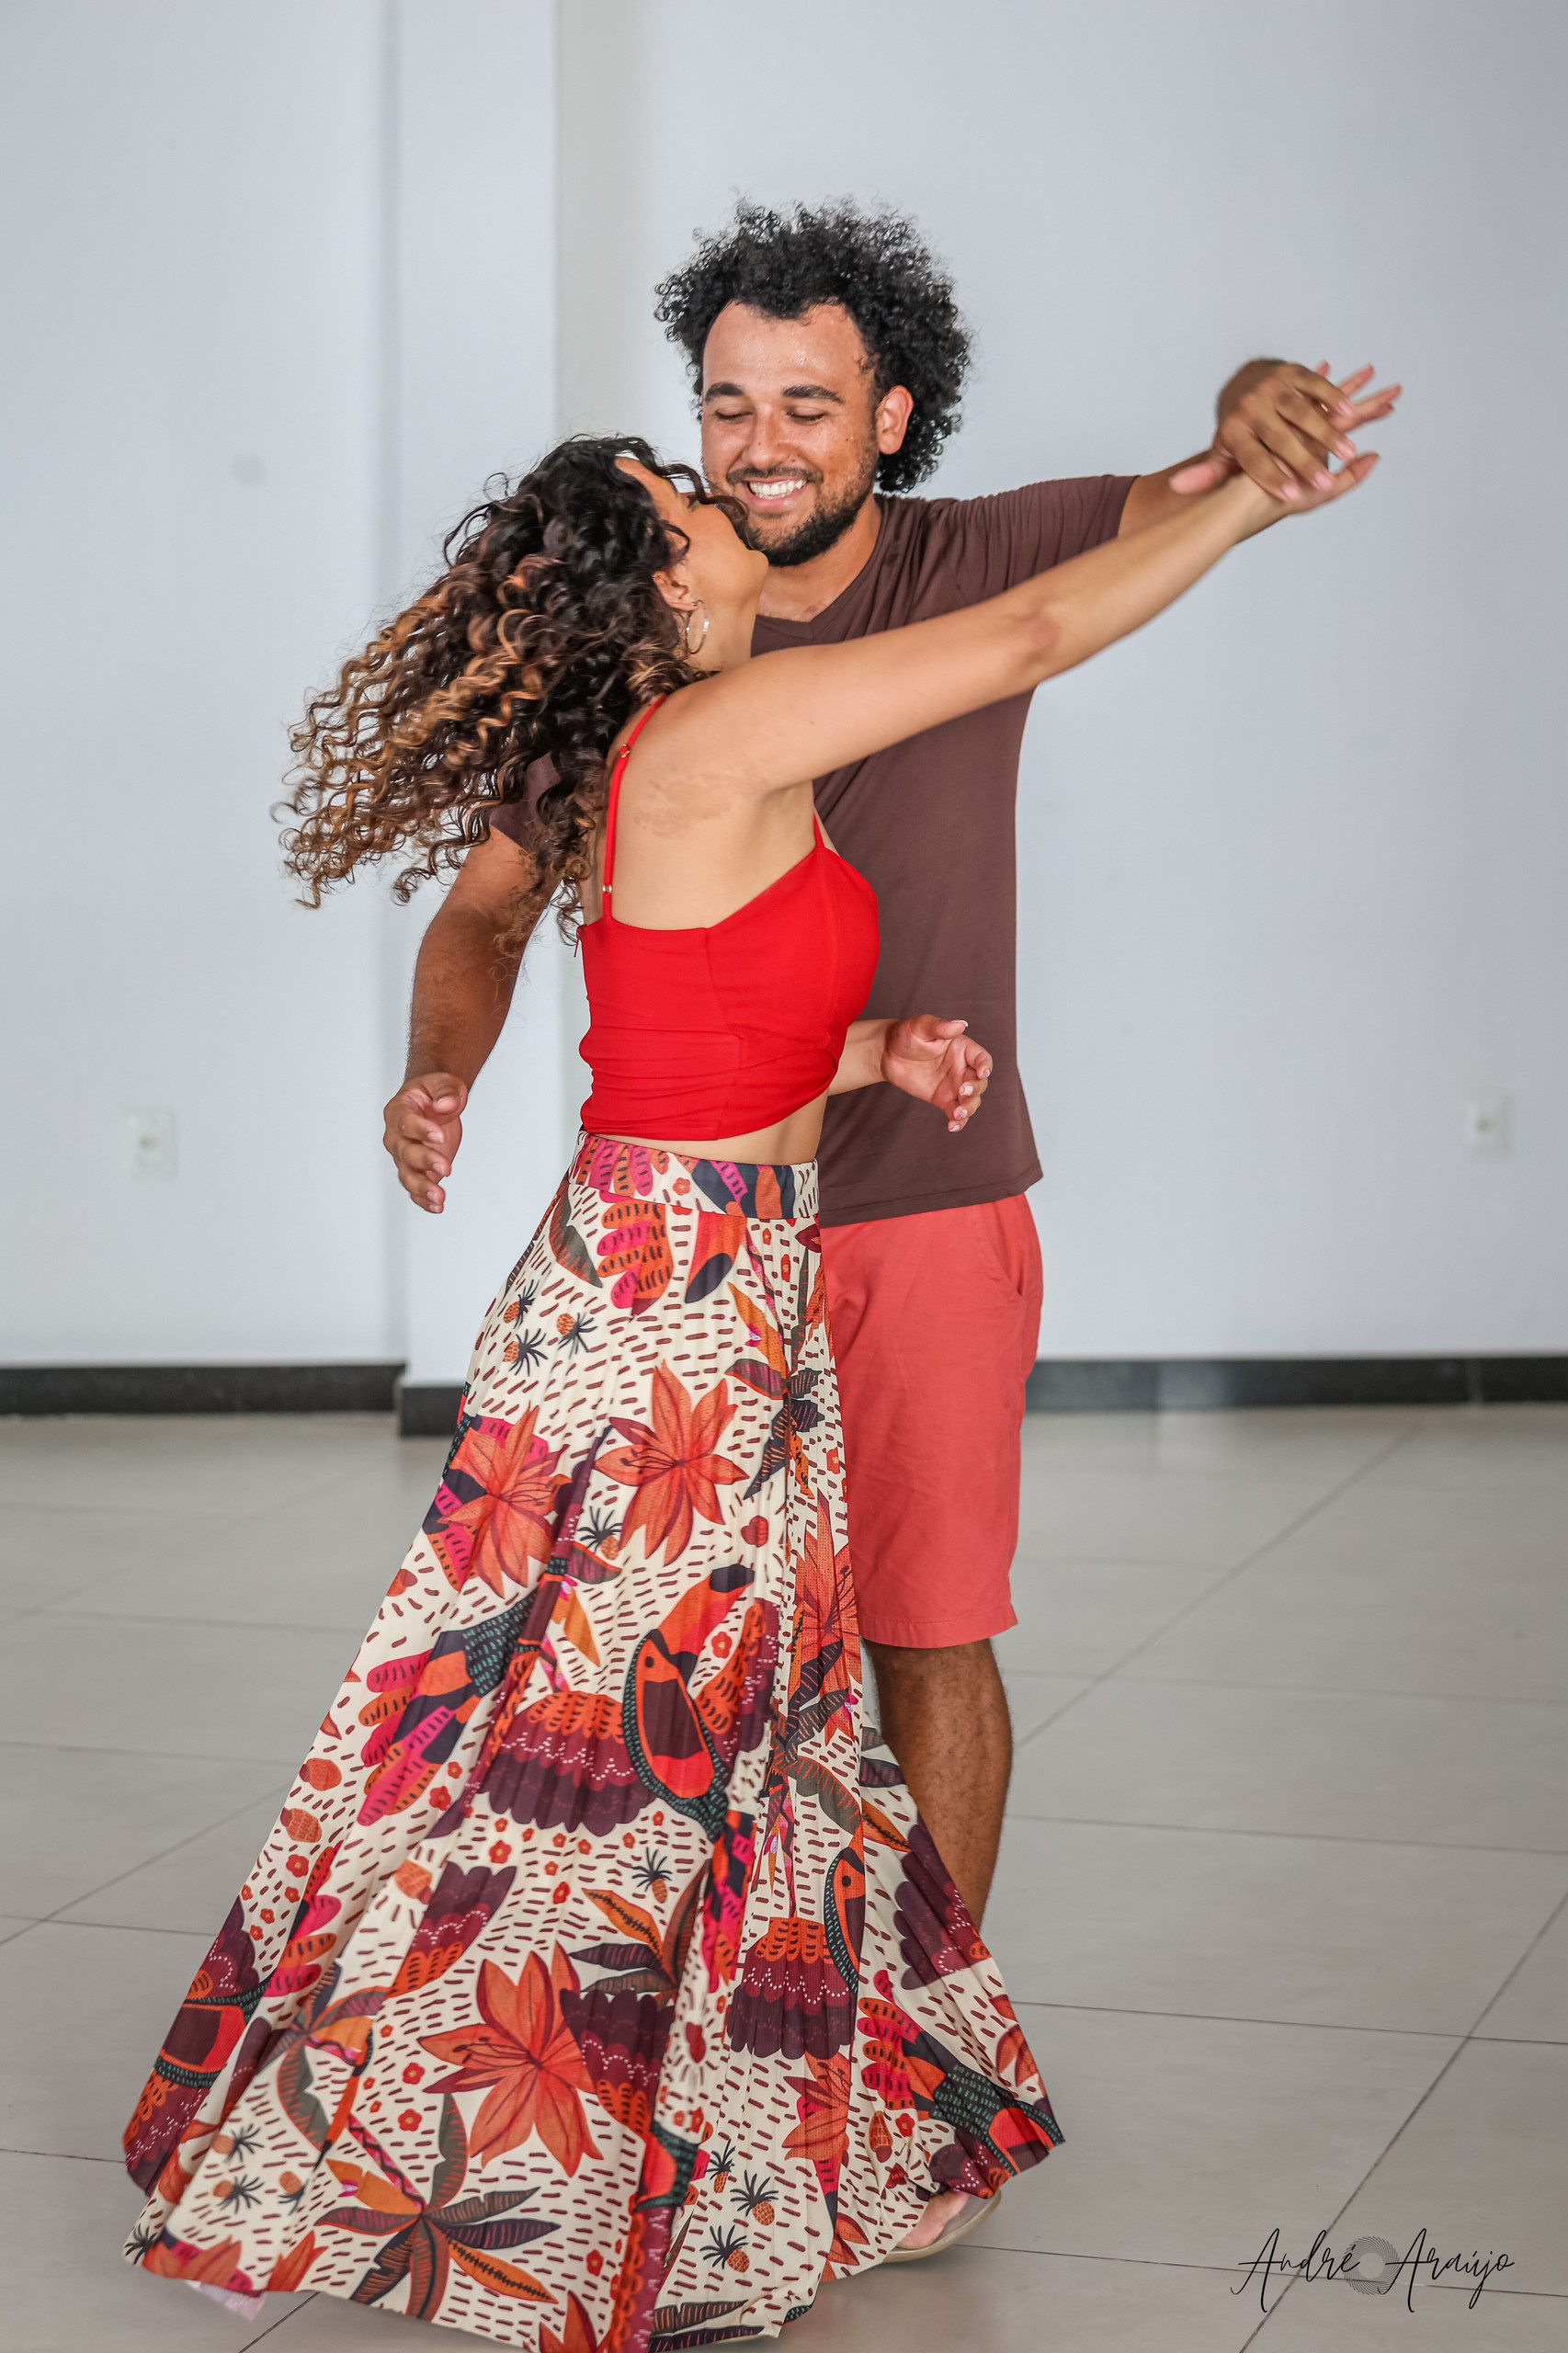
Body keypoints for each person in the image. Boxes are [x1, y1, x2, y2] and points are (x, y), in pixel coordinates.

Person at [119, 415, 1372, 2345]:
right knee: (613, 1752)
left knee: (701, 1733)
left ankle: (712, 2141)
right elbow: (1028, 634)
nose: (728, 519)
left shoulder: (666, 755)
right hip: (672, 1307)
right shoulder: (711, 731)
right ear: (657, 587)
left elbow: (685, 1021)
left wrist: (871, 1056)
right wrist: (1253, 507)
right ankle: (482, 2173)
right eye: (695, 510)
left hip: (700, 1274)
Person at [387, 201, 1401, 1934]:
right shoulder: (638, 655)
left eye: (805, 403)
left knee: (925, 1632)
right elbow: (484, 911)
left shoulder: (968, 557)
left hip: (917, 1203)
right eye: (725, 407)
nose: (757, 445)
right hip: (705, 1251)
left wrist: (1252, 406)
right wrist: (441, 1068)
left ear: (889, 415)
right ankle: (704, 2023)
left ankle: (916, 2027)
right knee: (681, 1663)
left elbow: (1170, 500)